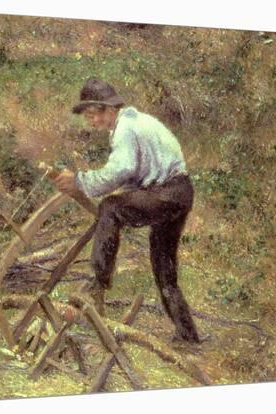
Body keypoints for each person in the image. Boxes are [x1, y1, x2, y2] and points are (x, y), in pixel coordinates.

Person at [54, 78, 201, 343]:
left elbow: (121, 171)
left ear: (107, 109)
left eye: (92, 116)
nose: (92, 122)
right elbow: (135, 176)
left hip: (167, 193)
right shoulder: (136, 122)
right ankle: (188, 335)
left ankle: (97, 284)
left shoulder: (124, 128)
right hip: (179, 193)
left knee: (110, 208)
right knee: (163, 268)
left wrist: (79, 181)